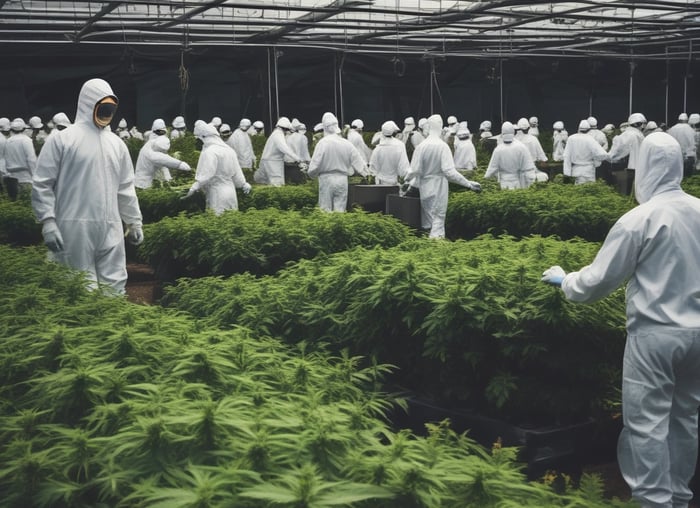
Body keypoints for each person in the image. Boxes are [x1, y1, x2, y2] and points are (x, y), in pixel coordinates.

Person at [541, 132, 700, 508]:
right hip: (698, 335)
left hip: (656, 336)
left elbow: (599, 280)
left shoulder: (639, 219)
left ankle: (653, 501)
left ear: (643, 166)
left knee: (647, 424)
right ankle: (679, 497)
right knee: (685, 420)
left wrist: (568, 281)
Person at [31, 78, 143, 294]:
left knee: (115, 285)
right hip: (73, 226)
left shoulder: (117, 144)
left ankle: (112, 326)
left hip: (111, 226)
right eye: (104, 106)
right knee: (78, 285)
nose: (108, 112)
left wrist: (134, 221)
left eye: (112, 107)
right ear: (89, 104)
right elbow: (43, 183)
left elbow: (126, 188)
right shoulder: (63, 140)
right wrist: (48, 221)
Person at [405, 114, 481, 238]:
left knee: (427, 223)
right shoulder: (442, 147)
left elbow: (413, 170)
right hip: (439, 188)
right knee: (438, 222)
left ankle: (424, 250)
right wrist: (468, 184)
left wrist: (406, 183)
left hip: (425, 188)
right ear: (440, 126)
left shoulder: (421, 147)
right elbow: (449, 172)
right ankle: (437, 252)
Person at [182, 120, 251, 215]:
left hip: (217, 193)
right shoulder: (229, 150)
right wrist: (244, 184)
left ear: (205, 137)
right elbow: (237, 173)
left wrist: (194, 187)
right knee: (231, 221)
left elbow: (207, 174)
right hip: (231, 192)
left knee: (217, 223)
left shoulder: (210, 152)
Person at [307, 112, 368, 212]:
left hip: (326, 179)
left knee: (325, 210)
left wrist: (312, 174)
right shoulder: (346, 143)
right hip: (342, 180)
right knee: (340, 211)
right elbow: (359, 162)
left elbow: (315, 164)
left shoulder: (322, 143)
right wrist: (367, 174)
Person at [484, 121, 536, 190]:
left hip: (504, 183)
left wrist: (484, 180)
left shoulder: (498, 149)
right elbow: (528, 167)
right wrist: (530, 183)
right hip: (517, 182)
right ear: (513, 132)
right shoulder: (521, 147)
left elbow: (491, 169)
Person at [255, 117, 301, 186]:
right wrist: (297, 158)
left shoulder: (275, 133)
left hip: (270, 161)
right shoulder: (278, 134)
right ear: (285, 128)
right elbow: (284, 148)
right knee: (276, 184)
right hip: (273, 163)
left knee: (269, 184)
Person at [563, 119, 610, 185]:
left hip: (575, 171)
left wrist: (566, 173)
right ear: (589, 130)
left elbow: (566, 156)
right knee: (589, 192)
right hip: (588, 171)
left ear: (579, 128)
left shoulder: (571, 138)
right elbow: (602, 154)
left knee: (577, 192)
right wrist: (597, 162)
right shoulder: (590, 139)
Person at [608, 113, 646, 193]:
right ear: (640, 124)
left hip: (627, 169)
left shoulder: (627, 135)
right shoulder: (637, 135)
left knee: (625, 192)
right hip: (635, 169)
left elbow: (615, 153)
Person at [368, 120, 410, 185]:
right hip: (393, 183)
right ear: (394, 132)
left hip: (379, 184)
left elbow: (372, 169)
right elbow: (403, 169)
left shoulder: (378, 148)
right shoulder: (400, 145)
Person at [4, 118, 36, 200]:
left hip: (11, 177)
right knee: (27, 202)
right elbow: (31, 159)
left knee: (15, 203)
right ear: (24, 129)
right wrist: (35, 176)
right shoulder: (26, 140)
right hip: (26, 177)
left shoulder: (8, 141)